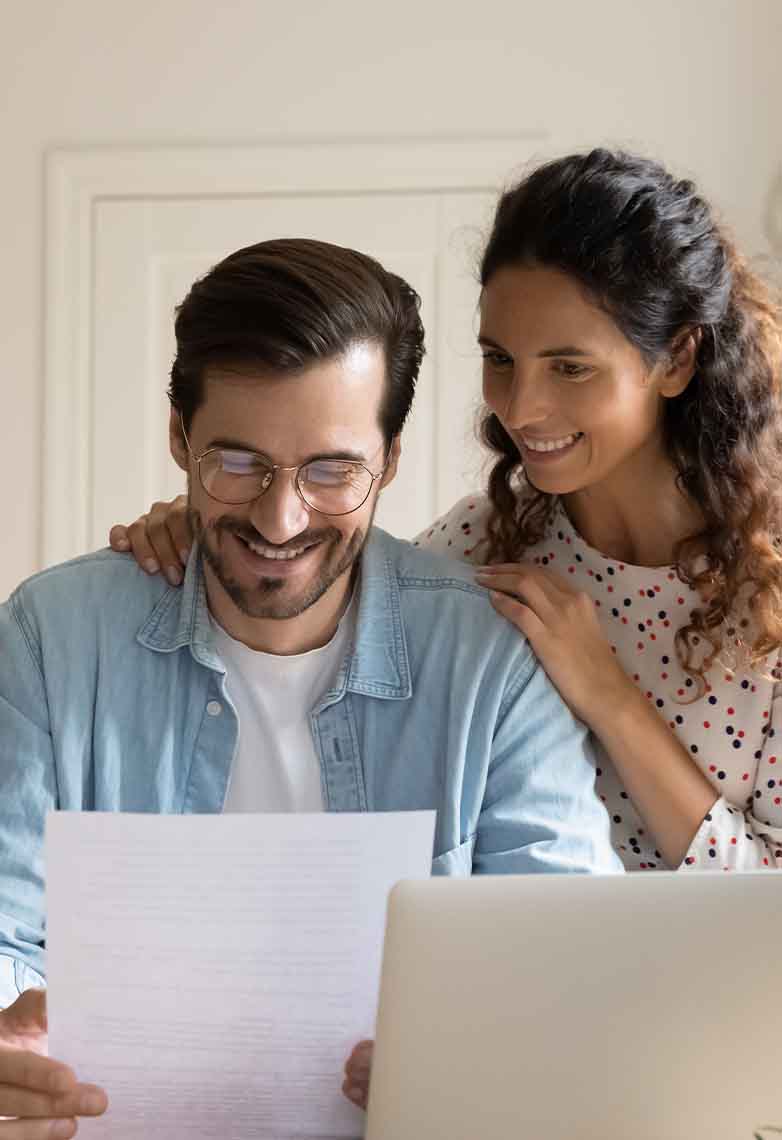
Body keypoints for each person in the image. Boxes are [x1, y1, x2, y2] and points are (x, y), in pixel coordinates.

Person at [113, 150, 782, 1110]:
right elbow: (312, 563)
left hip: (717, 1059)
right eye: (500, 360)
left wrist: (610, 700)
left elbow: (769, 915)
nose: (521, 409)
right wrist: (205, 522)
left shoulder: (769, 582)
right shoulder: (487, 541)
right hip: (529, 1044)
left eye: (569, 367)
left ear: (675, 357)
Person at [0, 238, 619, 1136]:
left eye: (332, 471)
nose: (280, 517)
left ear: (390, 461)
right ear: (179, 438)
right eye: (237, 463)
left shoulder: (491, 657)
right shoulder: (54, 635)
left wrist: (473, 1052)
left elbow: (568, 955)